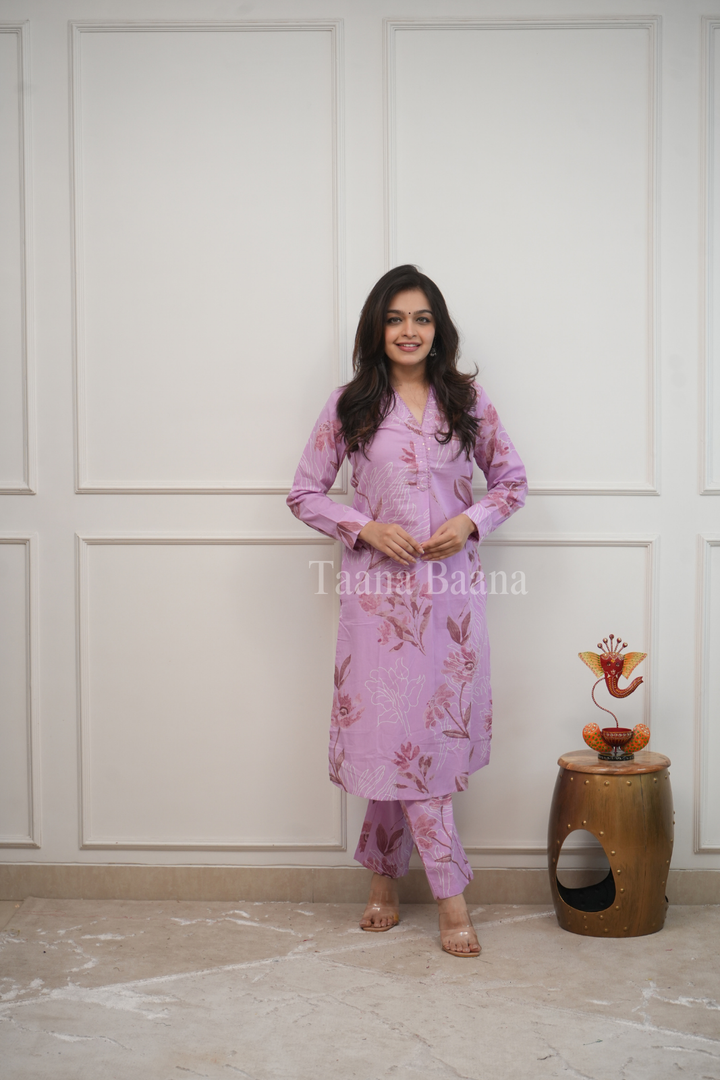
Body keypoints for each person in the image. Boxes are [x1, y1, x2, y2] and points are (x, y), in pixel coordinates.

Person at [287, 265, 527, 956]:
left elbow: (512, 481)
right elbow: (304, 493)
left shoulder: (468, 403)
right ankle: (451, 899)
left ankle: (382, 882)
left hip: (450, 606)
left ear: (438, 329)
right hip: (379, 610)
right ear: (377, 328)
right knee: (398, 740)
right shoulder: (348, 406)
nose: (409, 331)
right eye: (395, 319)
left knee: (422, 745)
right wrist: (363, 527)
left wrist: (471, 521)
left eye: (421, 318)